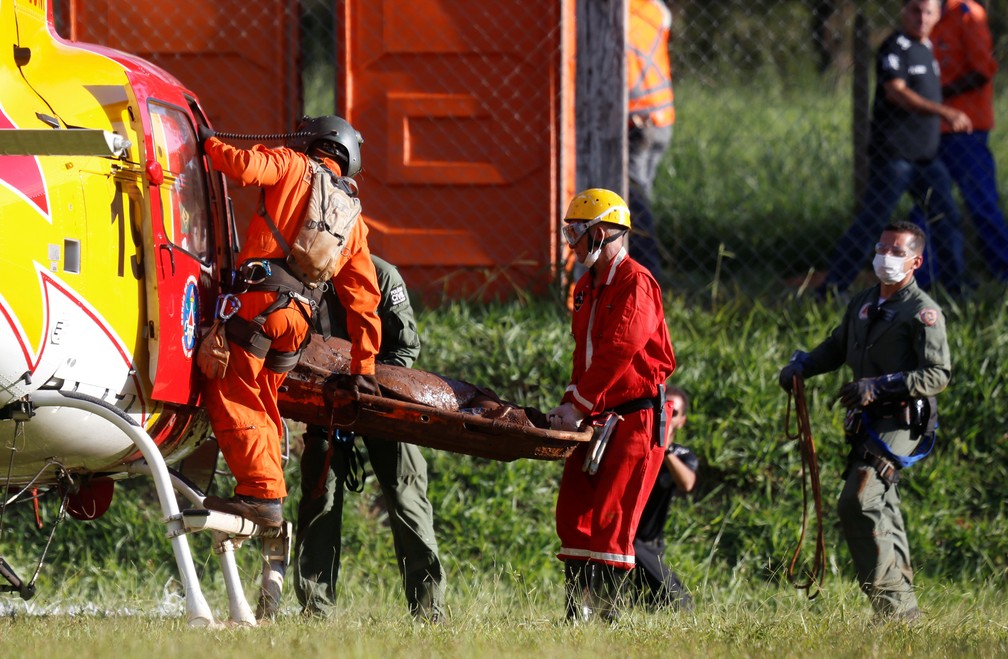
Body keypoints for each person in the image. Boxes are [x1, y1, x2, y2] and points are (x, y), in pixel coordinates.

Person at [198, 116, 382, 528]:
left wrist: (209, 144)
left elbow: (243, 167)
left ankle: (262, 494)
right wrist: (364, 367)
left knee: (231, 391)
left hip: (258, 306)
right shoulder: (353, 218)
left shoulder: (291, 164)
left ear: (312, 141)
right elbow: (365, 299)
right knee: (261, 401)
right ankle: (264, 492)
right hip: (296, 324)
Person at [780, 221, 950, 622]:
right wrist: (802, 366)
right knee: (882, 503)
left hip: (902, 420)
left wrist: (883, 384)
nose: (886, 257)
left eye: (897, 252)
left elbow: (938, 374)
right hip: (866, 420)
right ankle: (904, 607)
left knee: (859, 500)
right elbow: (837, 347)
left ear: (915, 261)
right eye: (882, 248)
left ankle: (892, 608)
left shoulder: (922, 312)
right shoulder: (864, 301)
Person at [549, 188, 677, 623]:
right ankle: (576, 614)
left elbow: (619, 350)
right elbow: (582, 356)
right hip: (596, 414)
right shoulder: (586, 287)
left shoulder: (635, 282)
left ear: (599, 232)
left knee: (611, 518)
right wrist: (570, 403)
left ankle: (607, 619)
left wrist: (579, 405)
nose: (571, 243)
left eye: (575, 233)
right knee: (574, 510)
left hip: (634, 417)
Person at [294, 255, 445, 622]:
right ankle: (316, 611)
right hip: (327, 400)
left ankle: (428, 611)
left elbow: (405, 350)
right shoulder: (300, 274)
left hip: (384, 399)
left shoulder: (382, 276)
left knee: (407, 495)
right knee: (320, 495)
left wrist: (371, 391)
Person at [819, 0, 972, 298]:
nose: (922, 17)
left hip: (926, 159)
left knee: (946, 218)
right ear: (904, 11)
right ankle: (832, 288)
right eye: (915, 10)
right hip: (895, 157)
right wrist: (944, 112)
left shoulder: (928, 49)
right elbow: (895, 91)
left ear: (938, 15)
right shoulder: (895, 46)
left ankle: (957, 290)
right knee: (873, 222)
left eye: (929, 11)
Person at [911, 0, 1008, 285]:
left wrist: (937, 97)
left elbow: (983, 70)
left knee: (981, 203)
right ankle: (923, 276)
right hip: (933, 130)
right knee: (926, 205)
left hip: (966, 130)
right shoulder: (926, 13)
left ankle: (1002, 271)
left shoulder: (967, 15)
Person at [630, 385, 698, 612]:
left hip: (649, 546)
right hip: (625, 539)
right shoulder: (635, 446)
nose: (667, 413)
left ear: (682, 421)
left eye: (674, 411)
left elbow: (687, 483)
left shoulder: (681, 455)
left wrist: (665, 449)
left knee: (675, 602)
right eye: (663, 406)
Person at [626, 0, 675, 282]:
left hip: (637, 121)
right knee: (639, 196)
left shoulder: (610, 12)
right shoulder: (654, 8)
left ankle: (646, 279)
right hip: (661, 117)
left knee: (635, 205)